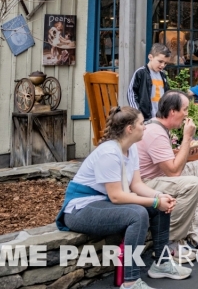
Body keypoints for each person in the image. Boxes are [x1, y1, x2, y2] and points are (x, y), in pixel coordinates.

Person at [56, 107, 190, 287]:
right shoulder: (109, 153)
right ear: (130, 129)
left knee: (158, 208)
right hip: (80, 210)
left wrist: (160, 196)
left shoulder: (130, 149)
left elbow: (136, 185)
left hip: (101, 203)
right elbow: (117, 197)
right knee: (138, 214)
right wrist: (155, 201)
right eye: (142, 124)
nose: (145, 127)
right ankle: (130, 281)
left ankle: (162, 263)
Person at [137, 91, 198, 259]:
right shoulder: (155, 132)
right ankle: (170, 242)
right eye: (185, 109)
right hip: (147, 183)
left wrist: (187, 149)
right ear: (173, 111)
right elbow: (174, 172)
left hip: (161, 175)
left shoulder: (160, 128)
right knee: (193, 183)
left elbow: (167, 158)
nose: (186, 114)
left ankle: (191, 228)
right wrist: (187, 140)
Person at [128, 43, 171, 122]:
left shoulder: (163, 76)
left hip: (160, 118)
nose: (162, 65)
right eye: (160, 61)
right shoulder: (141, 73)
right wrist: (137, 114)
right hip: (145, 118)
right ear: (150, 57)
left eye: (165, 63)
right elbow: (131, 94)